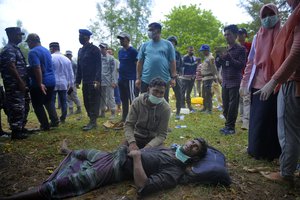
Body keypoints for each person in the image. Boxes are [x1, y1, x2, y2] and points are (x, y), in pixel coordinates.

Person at [0, 137, 208, 199]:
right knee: (83, 152)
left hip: (115, 169)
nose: (190, 144)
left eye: (194, 146)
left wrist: (136, 158)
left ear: (195, 155)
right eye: (191, 141)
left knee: (63, 184)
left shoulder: (175, 170)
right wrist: (134, 147)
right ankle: (68, 151)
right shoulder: (172, 150)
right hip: (114, 155)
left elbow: (144, 186)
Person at [257, 0, 300, 186]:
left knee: (288, 130)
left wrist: (275, 79)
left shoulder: (298, 16)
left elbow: (296, 52)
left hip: (292, 81)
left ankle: (286, 172)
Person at [240, 3, 281, 161]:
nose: (267, 19)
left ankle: (271, 153)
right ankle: (255, 149)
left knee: (271, 119)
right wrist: (244, 83)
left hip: (275, 84)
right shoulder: (258, 37)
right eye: (264, 16)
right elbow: (251, 62)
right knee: (257, 118)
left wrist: (274, 81)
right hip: (257, 84)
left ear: (277, 15)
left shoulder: (283, 33)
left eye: (271, 14)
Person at [215, 24, 247, 135]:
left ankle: (230, 127)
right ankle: (227, 125)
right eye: (225, 35)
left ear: (235, 35)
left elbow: (241, 65)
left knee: (233, 106)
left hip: (235, 81)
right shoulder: (225, 49)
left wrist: (229, 58)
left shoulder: (241, 49)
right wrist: (218, 58)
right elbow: (219, 65)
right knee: (225, 106)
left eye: (228, 34)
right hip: (225, 81)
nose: (226, 37)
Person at [124, 77, 171, 151]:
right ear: (148, 89)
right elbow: (129, 124)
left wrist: (148, 147)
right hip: (136, 136)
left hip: (153, 140)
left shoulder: (165, 108)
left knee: (159, 159)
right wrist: (132, 142)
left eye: (161, 93)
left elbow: (162, 134)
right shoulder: (137, 102)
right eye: (155, 91)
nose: (158, 95)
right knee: (122, 154)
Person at [0, 27, 30, 139]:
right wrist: (20, 81)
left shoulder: (15, 48)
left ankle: (21, 127)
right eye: (18, 35)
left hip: (20, 83)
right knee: (16, 107)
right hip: (14, 84)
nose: (20, 37)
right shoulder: (8, 49)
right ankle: (16, 132)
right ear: (11, 35)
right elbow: (11, 66)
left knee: (24, 105)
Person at [25, 33, 59, 131]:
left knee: (37, 104)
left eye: (28, 42)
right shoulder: (46, 51)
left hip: (39, 82)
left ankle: (45, 125)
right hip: (51, 80)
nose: (28, 44)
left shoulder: (33, 52)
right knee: (48, 101)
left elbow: (37, 67)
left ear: (32, 41)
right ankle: (55, 121)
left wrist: (40, 83)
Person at [136, 22, 177, 102]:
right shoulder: (145, 45)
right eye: (149, 30)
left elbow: (172, 62)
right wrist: (138, 78)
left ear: (158, 31)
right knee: (145, 101)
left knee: (163, 102)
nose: (149, 32)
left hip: (163, 79)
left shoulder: (168, 44)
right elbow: (140, 62)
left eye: (151, 30)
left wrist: (173, 78)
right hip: (146, 79)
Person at [76, 29, 102, 131]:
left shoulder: (94, 49)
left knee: (93, 101)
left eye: (81, 36)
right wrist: (77, 80)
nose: (80, 38)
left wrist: (97, 80)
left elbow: (98, 66)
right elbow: (79, 66)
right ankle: (91, 120)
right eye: (79, 36)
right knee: (86, 101)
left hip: (93, 81)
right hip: (85, 81)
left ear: (87, 37)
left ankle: (93, 122)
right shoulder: (80, 51)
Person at [49, 42, 74, 123]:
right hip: (63, 82)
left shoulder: (50, 57)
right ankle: (63, 118)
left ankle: (54, 118)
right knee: (64, 101)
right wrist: (71, 84)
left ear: (52, 48)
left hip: (53, 82)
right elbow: (71, 73)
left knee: (52, 101)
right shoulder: (66, 59)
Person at [117, 32, 139, 122]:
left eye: (123, 39)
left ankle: (135, 118)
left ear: (128, 40)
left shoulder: (133, 51)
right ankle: (124, 117)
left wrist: (138, 77)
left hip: (131, 79)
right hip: (121, 79)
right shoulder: (120, 51)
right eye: (120, 39)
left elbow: (137, 64)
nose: (121, 41)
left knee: (133, 99)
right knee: (123, 98)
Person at [238, 28, 252, 130]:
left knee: (247, 98)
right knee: (240, 98)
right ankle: (241, 117)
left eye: (241, 34)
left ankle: (246, 121)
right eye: (238, 34)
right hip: (237, 75)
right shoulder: (235, 47)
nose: (239, 36)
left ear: (245, 35)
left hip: (247, 75)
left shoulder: (250, 46)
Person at [99, 43, 117, 119]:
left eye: (103, 48)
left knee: (111, 97)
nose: (101, 49)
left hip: (109, 80)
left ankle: (113, 112)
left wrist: (114, 81)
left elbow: (113, 71)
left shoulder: (111, 58)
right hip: (101, 80)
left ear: (106, 49)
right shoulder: (99, 58)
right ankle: (102, 112)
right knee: (102, 97)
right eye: (100, 48)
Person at [199, 44, 218, 114]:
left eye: (203, 51)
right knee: (204, 94)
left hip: (209, 78)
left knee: (208, 94)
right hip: (204, 78)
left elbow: (213, 68)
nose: (202, 52)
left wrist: (215, 77)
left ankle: (209, 109)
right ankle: (204, 107)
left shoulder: (211, 58)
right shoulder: (206, 57)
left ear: (207, 50)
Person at [167, 36, 183, 119]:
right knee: (164, 96)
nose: (172, 44)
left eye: (173, 43)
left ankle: (178, 112)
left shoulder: (177, 54)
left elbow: (180, 65)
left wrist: (178, 74)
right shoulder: (164, 52)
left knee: (179, 94)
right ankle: (165, 112)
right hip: (165, 76)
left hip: (175, 76)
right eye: (170, 42)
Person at [180, 46, 198, 112]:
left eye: (192, 50)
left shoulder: (195, 58)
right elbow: (181, 67)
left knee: (188, 93)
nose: (191, 52)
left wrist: (194, 75)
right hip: (185, 78)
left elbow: (195, 67)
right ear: (187, 51)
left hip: (192, 78)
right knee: (182, 92)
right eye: (190, 50)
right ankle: (182, 106)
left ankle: (189, 106)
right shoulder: (184, 58)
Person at [65, 50, 82, 115]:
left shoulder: (74, 63)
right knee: (68, 96)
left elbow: (77, 73)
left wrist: (75, 82)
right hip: (66, 82)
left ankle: (79, 108)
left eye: (69, 55)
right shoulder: (65, 62)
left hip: (73, 82)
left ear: (71, 55)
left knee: (74, 95)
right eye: (67, 55)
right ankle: (71, 110)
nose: (68, 56)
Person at [107, 48, 122, 113]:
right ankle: (108, 107)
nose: (108, 53)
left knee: (117, 94)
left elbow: (119, 71)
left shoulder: (116, 61)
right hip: (107, 81)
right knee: (108, 95)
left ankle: (119, 107)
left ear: (112, 53)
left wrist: (117, 80)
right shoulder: (105, 61)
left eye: (110, 52)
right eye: (107, 52)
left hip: (115, 81)